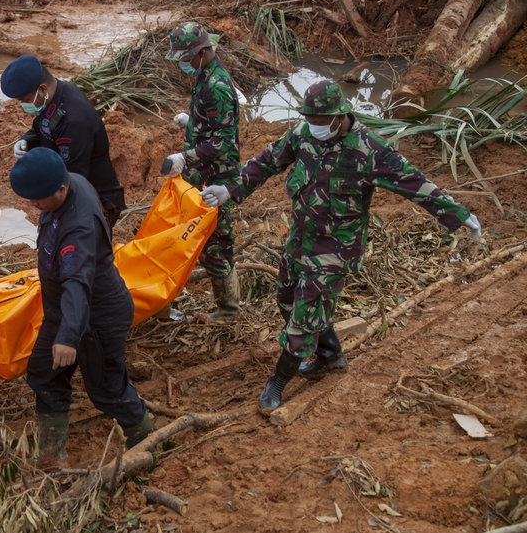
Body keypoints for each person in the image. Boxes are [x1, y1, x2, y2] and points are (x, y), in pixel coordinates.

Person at [199, 80, 482, 415]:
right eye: (310, 120)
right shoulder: (304, 133)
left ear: (341, 116)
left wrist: (457, 213)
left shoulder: (369, 148)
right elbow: (268, 161)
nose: (314, 127)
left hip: (336, 248)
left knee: (304, 317)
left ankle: (277, 381)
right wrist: (230, 189)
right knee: (287, 299)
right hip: (301, 238)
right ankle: (330, 355)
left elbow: (413, 182)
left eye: (321, 121)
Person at [9, 147, 152, 466]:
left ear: (61, 189)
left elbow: (77, 283)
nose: (34, 206)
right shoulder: (68, 180)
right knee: (45, 373)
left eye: (39, 199)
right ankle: (51, 453)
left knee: (107, 391)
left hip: (96, 316)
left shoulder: (78, 228)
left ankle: (147, 445)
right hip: (63, 312)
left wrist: (68, 336)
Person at [162, 22, 242, 323]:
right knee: (199, 235)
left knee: (216, 243)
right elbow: (213, 125)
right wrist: (191, 122)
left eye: (186, 58)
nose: (183, 64)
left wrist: (185, 155)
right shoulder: (205, 75)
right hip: (204, 170)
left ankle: (228, 310)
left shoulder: (216, 87)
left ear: (202, 52)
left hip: (217, 175)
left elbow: (223, 140)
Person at [0, 54, 126, 234]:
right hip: (67, 189)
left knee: (83, 253)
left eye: (25, 100)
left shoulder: (74, 120)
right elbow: (42, 126)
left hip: (94, 201)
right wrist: (26, 140)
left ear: (42, 89)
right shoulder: (54, 96)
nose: (23, 105)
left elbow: (73, 176)